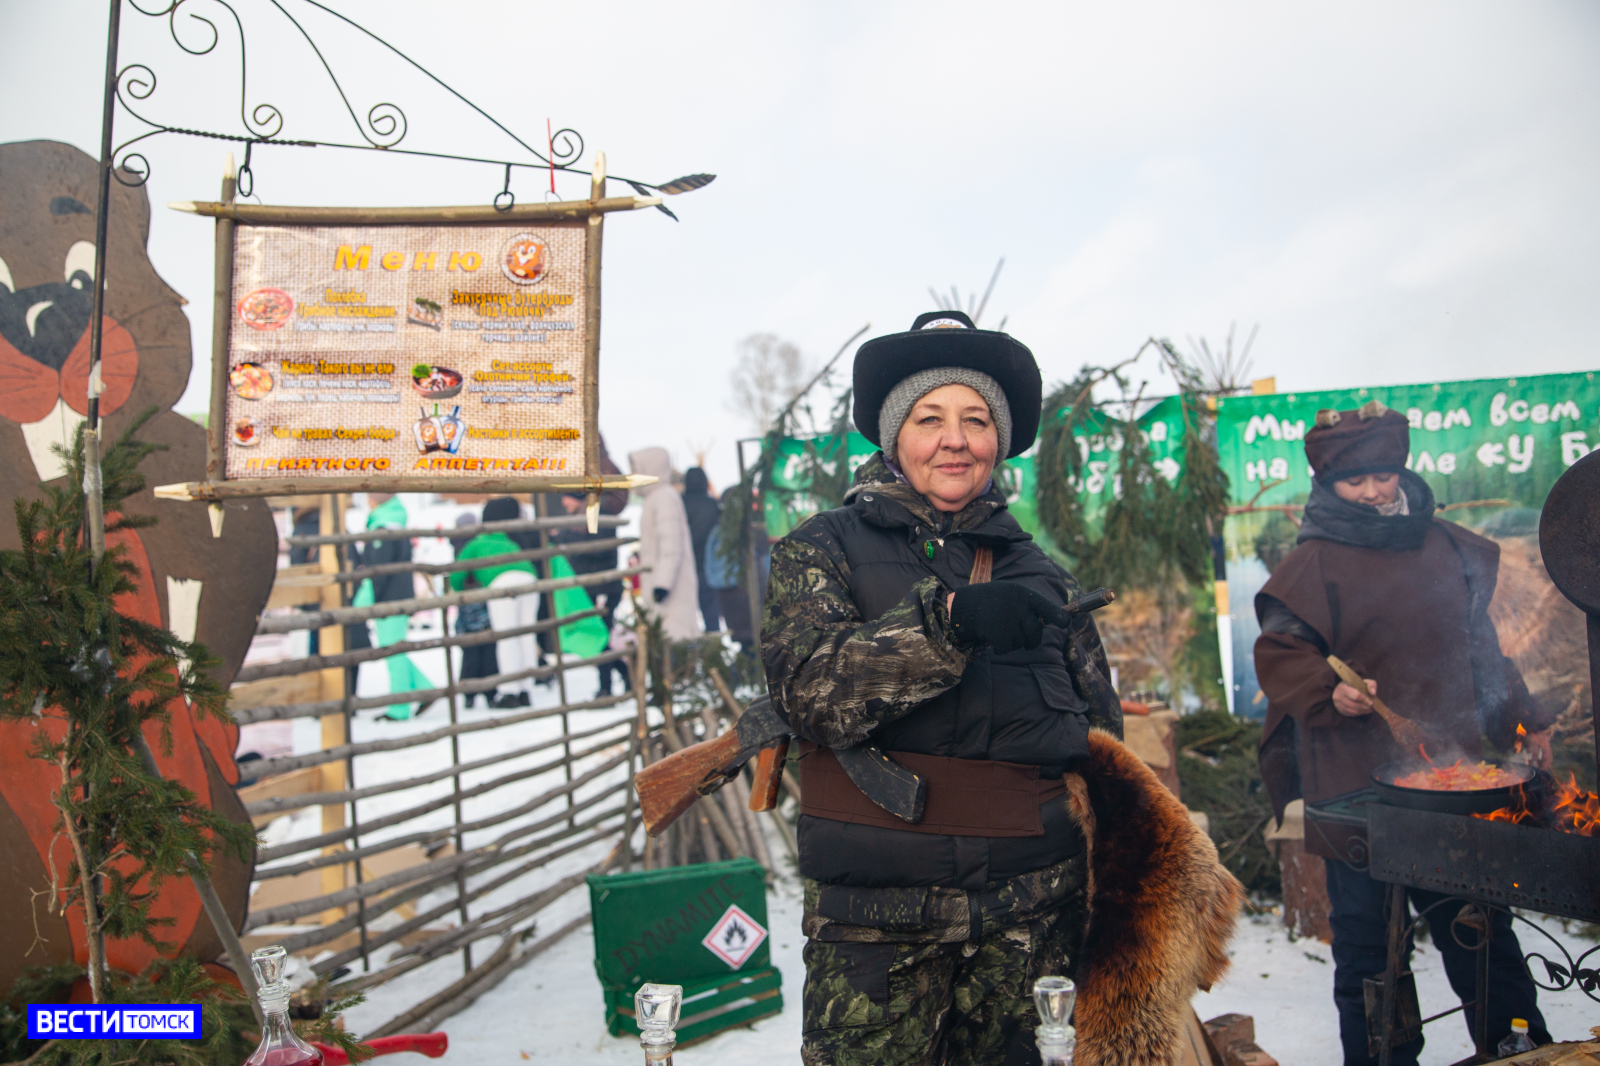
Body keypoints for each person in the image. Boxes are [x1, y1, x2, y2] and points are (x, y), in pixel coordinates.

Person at [763, 311, 1122, 1066]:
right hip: (875, 924)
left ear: (999, 441)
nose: (955, 438)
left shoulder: (1044, 576)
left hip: (1032, 920)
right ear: (894, 437)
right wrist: (947, 623)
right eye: (930, 418)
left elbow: (1102, 743)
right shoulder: (818, 551)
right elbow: (809, 692)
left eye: (976, 418)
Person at [1253, 401, 1557, 1066]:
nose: (1372, 492)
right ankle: (1382, 1059)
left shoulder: (1445, 545)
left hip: (1449, 772)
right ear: (1327, 485)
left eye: (1384, 476)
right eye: (1354, 482)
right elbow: (1282, 653)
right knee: (1367, 941)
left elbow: (1481, 648)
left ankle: (1520, 1048)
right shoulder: (1314, 562)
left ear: (1401, 468)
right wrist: (1328, 690)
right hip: (1352, 778)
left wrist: (1527, 718)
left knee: (1476, 923)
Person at [450, 497, 537, 708]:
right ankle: (526, 688)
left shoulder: (477, 542)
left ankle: (509, 692)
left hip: (502, 584)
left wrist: (461, 591)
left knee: (506, 637)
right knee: (526, 635)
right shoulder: (510, 541)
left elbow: (457, 573)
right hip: (530, 580)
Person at [552, 490, 632, 696]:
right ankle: (625, 674)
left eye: (567, 496)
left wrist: (563, 537)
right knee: (598, 636)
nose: (563, 501)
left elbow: (597, 549)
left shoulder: (598, 516)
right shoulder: (576, 521)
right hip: (589, 589)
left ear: (578, 498)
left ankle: (607, 686)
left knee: (600, 636)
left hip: (604, 588)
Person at [628, 447, 701, 642]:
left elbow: (671, 543)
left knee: (675, 641)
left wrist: (662, 584)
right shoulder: (655, 498)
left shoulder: (664, 498)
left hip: (670, 590)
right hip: (660, 587)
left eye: (637, 469)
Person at [449, 513, 498, 707]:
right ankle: (489, 691)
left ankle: (470, 693)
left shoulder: (456, 544)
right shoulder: (476, 544)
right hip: (480, 600)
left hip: (466, 602)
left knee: (470, 650)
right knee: (487, 648)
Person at [681, 467, 723, 633]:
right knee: (711, 616)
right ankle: (715, 653)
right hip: (708, 567)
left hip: (685, 566)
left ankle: (688, 655)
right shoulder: (713, 504)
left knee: (685, 617)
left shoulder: (680, 503)